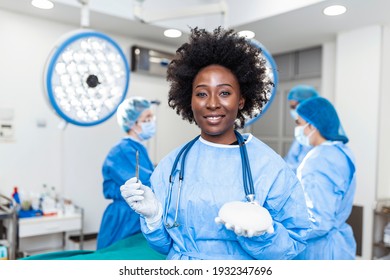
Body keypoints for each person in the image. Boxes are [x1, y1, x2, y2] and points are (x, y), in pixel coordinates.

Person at [120, 27, 310, 260]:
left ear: (241, 100)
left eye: (224, 93)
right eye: (201, 94)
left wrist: (264, 235)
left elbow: (295, 245)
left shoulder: (268, 167)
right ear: (189, 100)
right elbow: (164, 246)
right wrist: (153, 217)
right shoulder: (172, 166)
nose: (212, 104)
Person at [293, 97, 356, 260]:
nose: (298, 129)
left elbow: (318, 222)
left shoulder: (318, 161)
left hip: (320, 251)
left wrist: (281, 228)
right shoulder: (341, 152)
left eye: (299, 123)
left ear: (312, 125)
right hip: (338, 246)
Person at [96, 97, 156, 249]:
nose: (151, 121)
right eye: (146, 118)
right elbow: (146, 182)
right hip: (124, 219)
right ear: (133, 123)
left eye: (151, 117)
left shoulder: (138, 148)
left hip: (136, 214)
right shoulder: (123, 150)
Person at [284, 85, 319, 173]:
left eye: (293, 107)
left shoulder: (315, 132)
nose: (293, 110)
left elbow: (307, 168)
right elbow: (290, 160)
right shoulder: (303, 132)